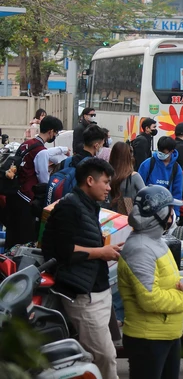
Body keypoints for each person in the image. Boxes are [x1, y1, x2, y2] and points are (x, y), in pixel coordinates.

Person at [41, 157, 121, 379]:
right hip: (83, 294)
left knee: (101, 354)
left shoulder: (88, 205)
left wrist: (105, 250)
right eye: (105, 182)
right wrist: (101, 252)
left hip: (97, 289)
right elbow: (62, 251)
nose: (108, 188)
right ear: (90, 181)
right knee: (105, 356)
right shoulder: (69, 206)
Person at [117, 185, 183, 379]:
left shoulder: (157, 241)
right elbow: (150, 299)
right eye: (170, 210)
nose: (173, 216)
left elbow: (167, 280)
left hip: (166, 334)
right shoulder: (140, 249)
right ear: (160, 214)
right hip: (149, 338)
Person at [6, 115, 68, 247]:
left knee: (12, 233)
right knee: (24, 236)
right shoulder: (41, 151)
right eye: (56, 133)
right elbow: (43, 179)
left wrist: (62, 149)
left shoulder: (27, 144)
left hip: (14, 193)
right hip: (26, 197)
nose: (55, 135)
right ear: (51, 131)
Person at [138, 136, 183, 218]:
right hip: (147, 208)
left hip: (166, 212)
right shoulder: (147, 164)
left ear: (171, 151)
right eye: (159, 151)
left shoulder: (176, 168)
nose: (160, 154)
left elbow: (177, 193)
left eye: (164, 152)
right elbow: (138, 188)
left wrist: (176, 214)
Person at [109, 141, 145, 216]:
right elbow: (145, 196)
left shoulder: (107, 174)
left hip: (109, 215)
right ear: (128, 157)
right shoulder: (134, 176)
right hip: (128, 216)